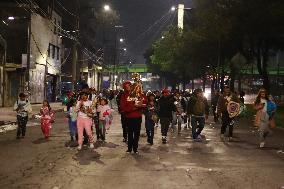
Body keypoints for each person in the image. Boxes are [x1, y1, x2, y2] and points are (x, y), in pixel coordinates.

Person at [120, 81, 147, 154]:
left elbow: (144, 103)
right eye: (126, 86)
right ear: (124, 87)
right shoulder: (124, 95)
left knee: (137, 133)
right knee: (130, 133)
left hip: (138, 117)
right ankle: (129, 148)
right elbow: (122, 107)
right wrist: (133, 108)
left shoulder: (138, 94)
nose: (128, 87)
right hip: (128, 117)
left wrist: (140, 105)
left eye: (129, 85)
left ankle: (135, 148)